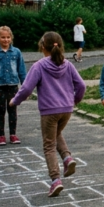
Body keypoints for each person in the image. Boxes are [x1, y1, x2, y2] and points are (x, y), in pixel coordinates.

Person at [10, 32, 85, 197]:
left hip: (50, 111)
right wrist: (74, 100)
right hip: (66, 110)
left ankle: (55, 180)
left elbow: (27, 88)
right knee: (56, 134)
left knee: (49, 145)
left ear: (43, 47)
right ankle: (67, 158)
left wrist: (15, 101)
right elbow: (81, 85)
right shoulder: (67, 64)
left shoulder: (39, 65)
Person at [0, 26, 26, 146]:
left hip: (13, 85)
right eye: (3, 37)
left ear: (11, 38)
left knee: (12, 110)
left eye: (8, 37)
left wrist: (25, 87)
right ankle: (1, 136)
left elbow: (22, 70)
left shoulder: (16, 52)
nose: (5, 40)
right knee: (1, 110)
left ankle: (13, 134)